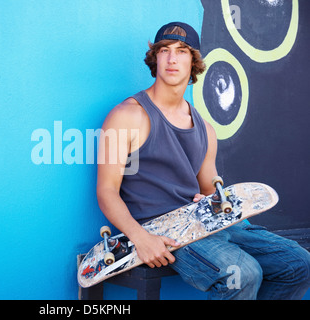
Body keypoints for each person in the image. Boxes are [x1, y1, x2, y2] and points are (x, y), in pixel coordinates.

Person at [96, 21, 310, 299]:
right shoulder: (126, 116)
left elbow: (210, 190)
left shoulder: (205, 128)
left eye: (182, 51)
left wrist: (211, 200)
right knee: (242, 273)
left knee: (298, 263)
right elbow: (106, 190)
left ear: (194, 61)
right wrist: (141, 238)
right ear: (155, 58)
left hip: (205, 223)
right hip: (163, 231)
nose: (172, 59)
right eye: (164, 50)